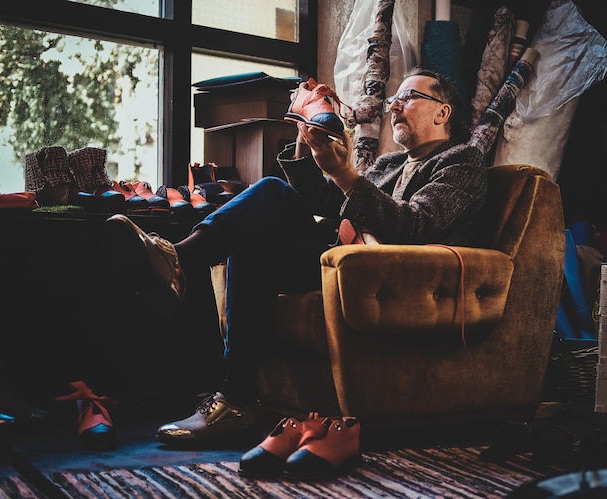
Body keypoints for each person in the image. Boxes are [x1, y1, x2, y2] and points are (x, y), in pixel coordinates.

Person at [104, 67, 488, 446]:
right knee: (255, 235)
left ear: (443, 112)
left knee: (270, 191)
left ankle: (178, 262)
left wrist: (346, 175)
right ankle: (236, 399)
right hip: (343, 266)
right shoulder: (390, 164)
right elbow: (325, 201)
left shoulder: (462, 162)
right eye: (393, 99)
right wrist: (307, 138)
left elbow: (417, 226)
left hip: (391, 280)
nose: (394, 106)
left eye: (408, 97)